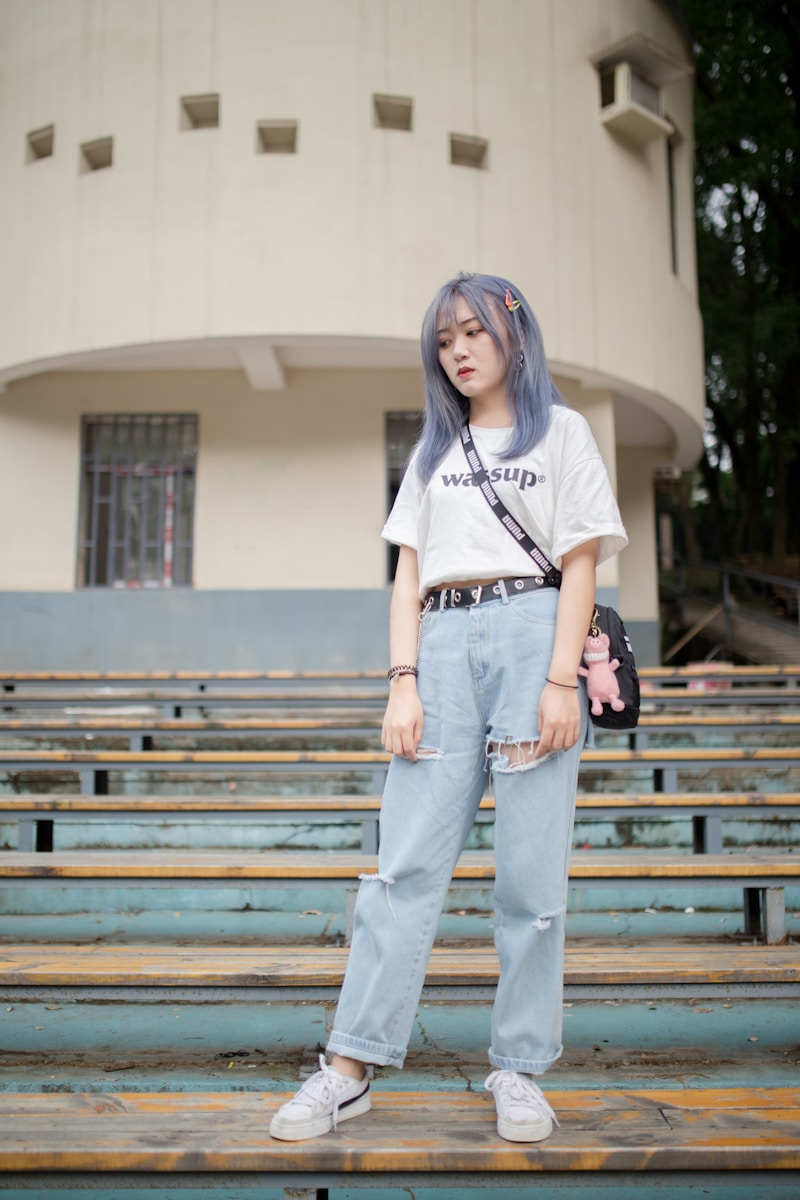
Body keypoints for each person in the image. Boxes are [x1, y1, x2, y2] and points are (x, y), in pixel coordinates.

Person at [269, 271, 628, 1144]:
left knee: (531, 879)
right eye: (442, 340)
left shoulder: (565, 432)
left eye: (472, 331)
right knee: (402, 871)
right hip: (439, 644)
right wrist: (402, 681)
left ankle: (518, 1067)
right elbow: (406, 575)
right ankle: (349, 1066)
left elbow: (579, 563)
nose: (458, 350)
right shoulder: (433, 452)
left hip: (532, 636)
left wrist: (554, 682)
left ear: (513, 333)